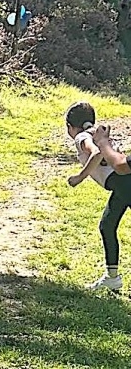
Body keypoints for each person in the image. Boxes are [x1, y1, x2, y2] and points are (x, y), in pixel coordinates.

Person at [65, 101, 131, 291]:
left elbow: (96, 153)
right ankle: (112, 277)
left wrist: (79, 177)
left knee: (107, 226)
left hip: (124, 185)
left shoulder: (82, 137)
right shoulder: (99, 135)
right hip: (121, 185)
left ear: (70, 126)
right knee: (107, 225)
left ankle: (112, 277)